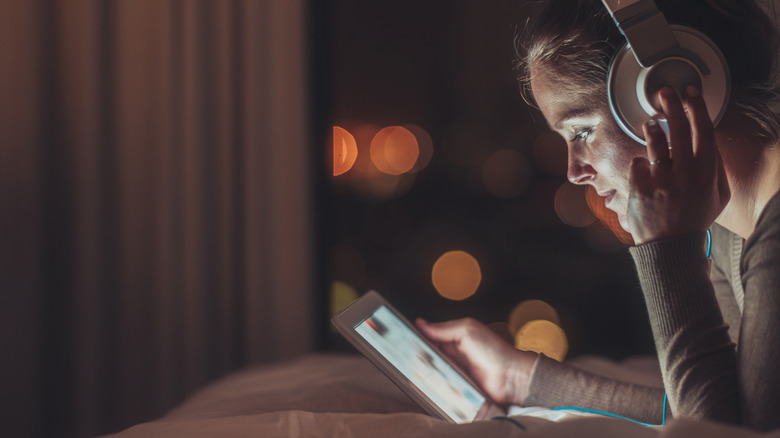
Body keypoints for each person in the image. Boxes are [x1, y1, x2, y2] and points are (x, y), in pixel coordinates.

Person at [416, 0, 780, 431]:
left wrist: (667, 248)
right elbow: (714, 406)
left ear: (669, 88)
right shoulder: (730, 226)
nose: (574, 172)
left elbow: (721, 434)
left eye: (583, 132)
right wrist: (522, 378)